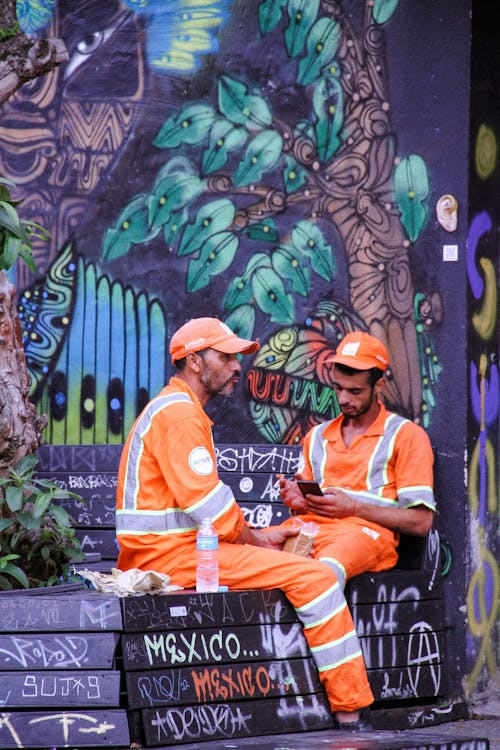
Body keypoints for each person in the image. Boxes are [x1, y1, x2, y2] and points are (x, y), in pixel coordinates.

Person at [115, 317, 374, 730]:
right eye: (226, 356)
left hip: (169, 554)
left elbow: (204, 511)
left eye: (238, 358)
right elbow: (211, 508)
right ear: (195, 361)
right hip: (171, 560)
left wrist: (261, 538)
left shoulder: (175, 409)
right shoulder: (180, 415)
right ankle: (350, 711)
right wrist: (258, 542)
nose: (238, 366)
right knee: (317, 579)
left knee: (305, 573)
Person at [279, 330, 436, 592]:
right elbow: (309, 505)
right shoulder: (317, 436)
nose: (343, 399)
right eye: (338, 388)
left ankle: (331, 635)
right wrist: (298, 503)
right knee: (258, 565)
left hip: (363, 537)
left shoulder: (406, 436)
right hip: (308, 530)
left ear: (379, 386)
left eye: (355, 391)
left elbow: (421, 522)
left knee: (321, 577)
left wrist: (353, 508)